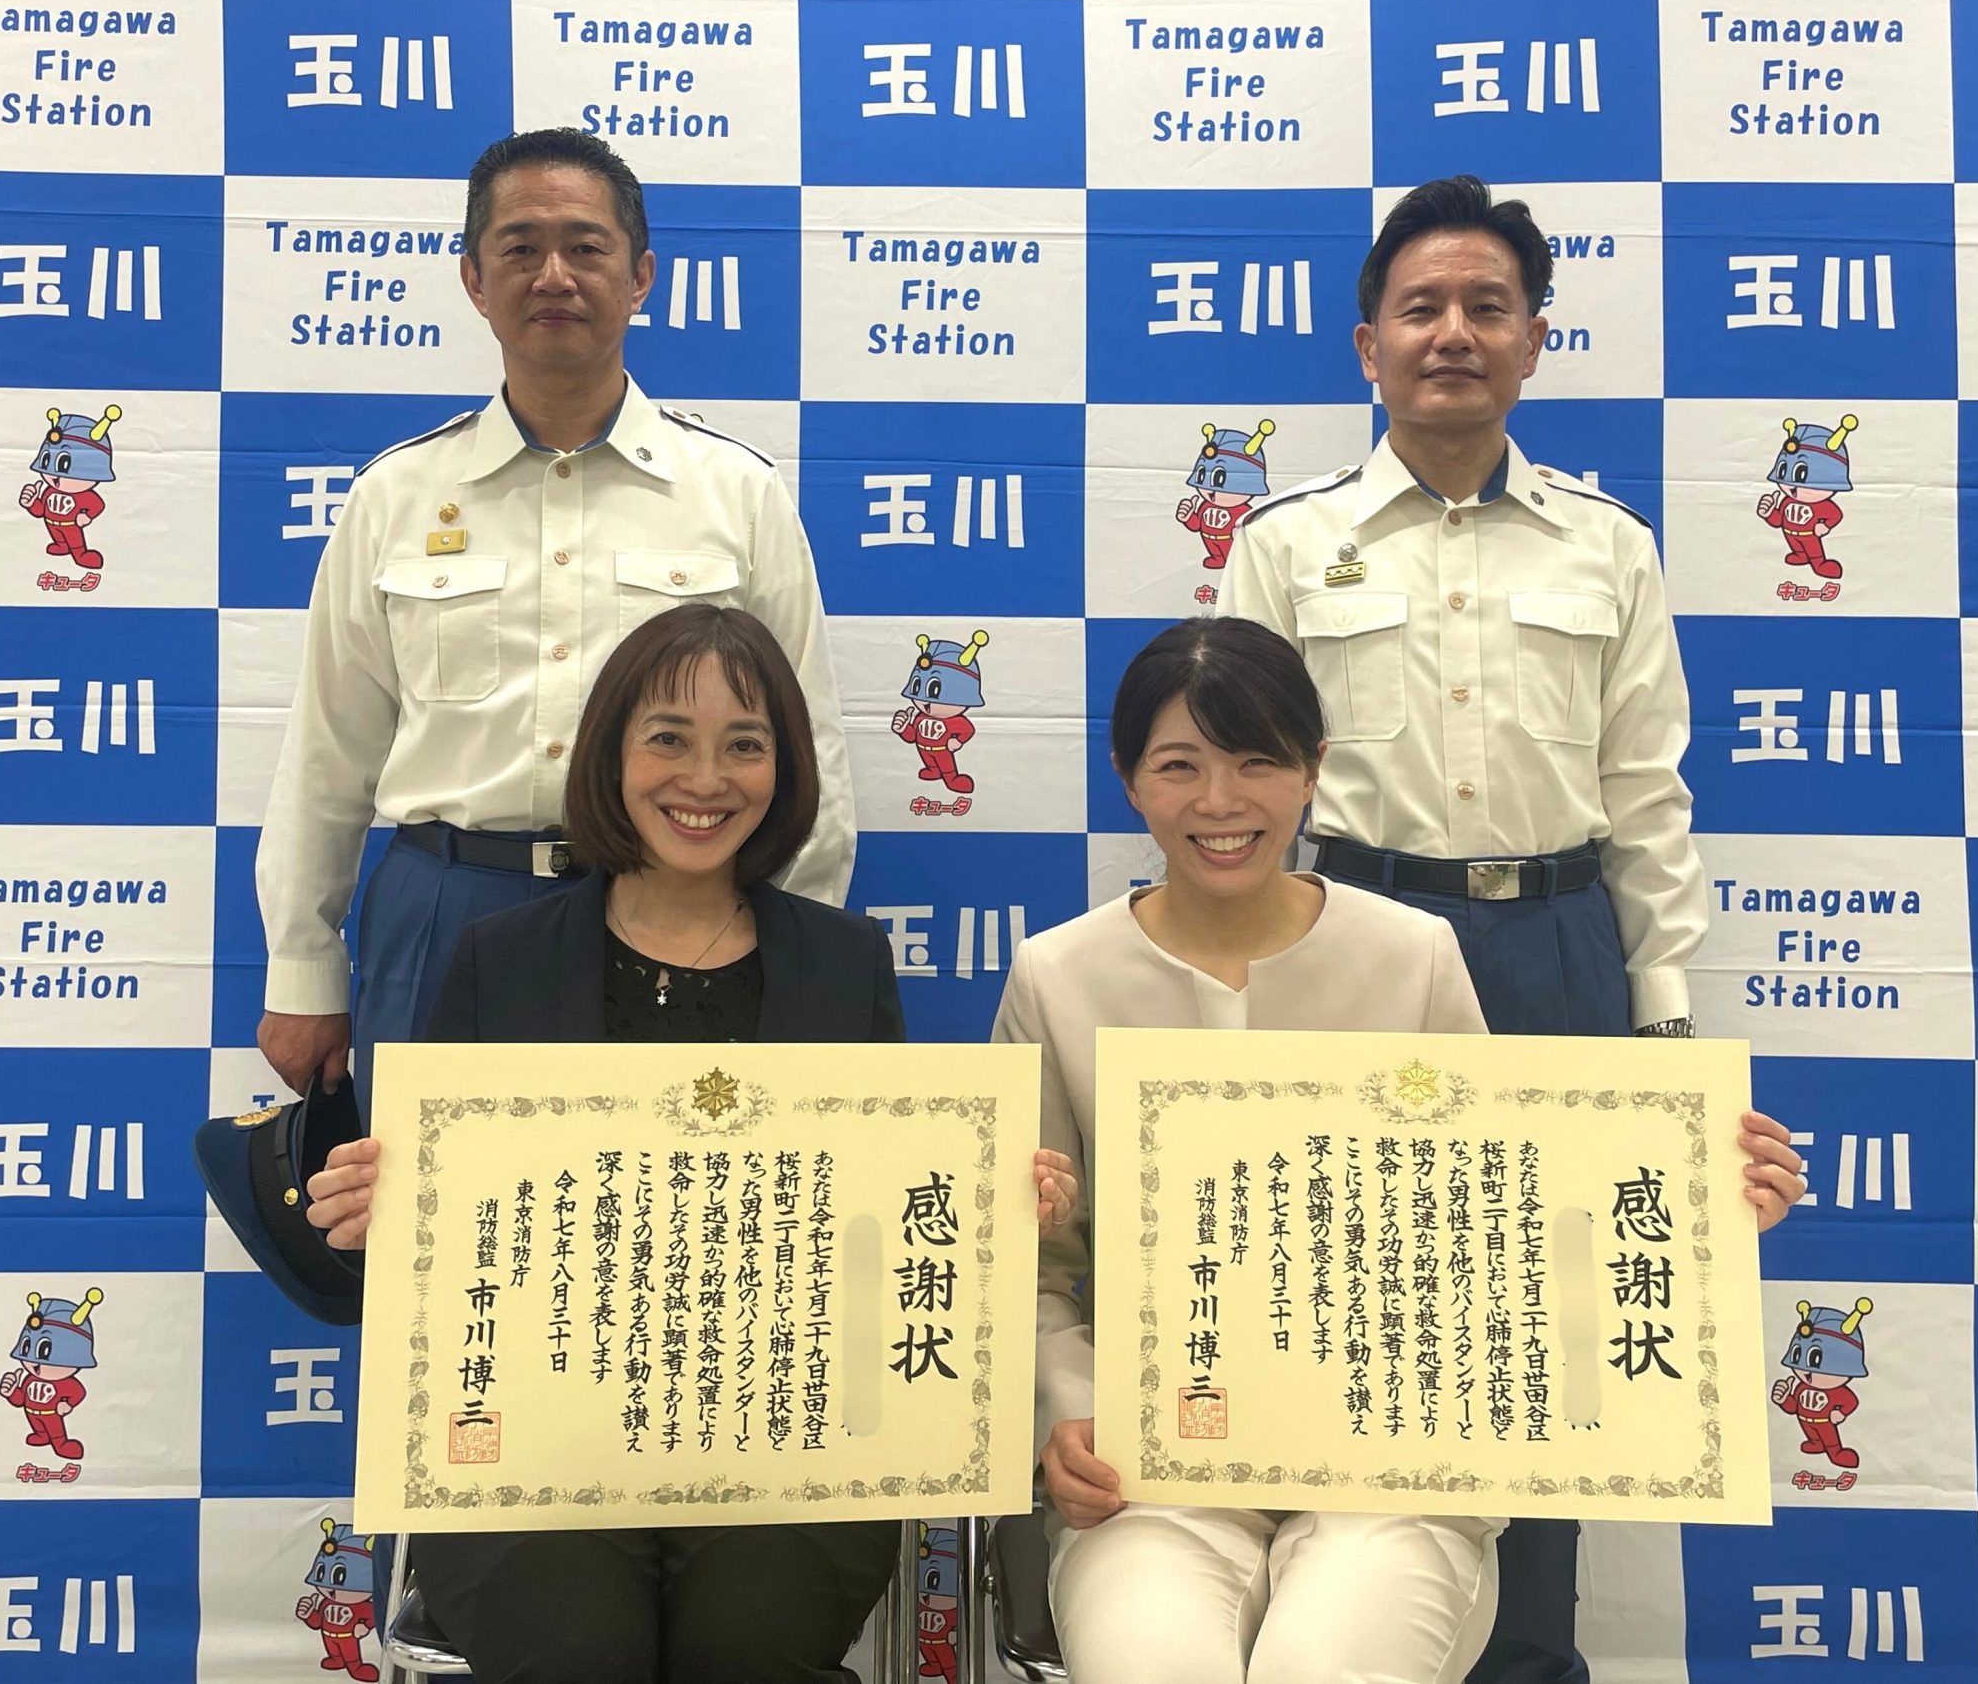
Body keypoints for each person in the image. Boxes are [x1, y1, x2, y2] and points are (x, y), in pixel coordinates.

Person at [1003, 619, 1805, 1684]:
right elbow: (1034, 1268)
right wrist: (1068, 1412)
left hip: (1393, 1462)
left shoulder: (1411, 952)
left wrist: (1708, 1199)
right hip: (1156, 1470)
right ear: (1127, 778)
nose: (1219, 801)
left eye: (1257, 762)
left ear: (1313, 771)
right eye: (1179, 766)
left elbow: (1503, 1219)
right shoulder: (1057, 974)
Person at [295, 606, 1077, 1684]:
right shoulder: (499, 959)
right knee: (579, 1654)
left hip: (788, 1435)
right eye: (668, 738)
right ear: (610, 755)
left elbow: (876, 1226)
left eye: (743, 745)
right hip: (539, 1438)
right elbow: (447, 1233)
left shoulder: (843, 963)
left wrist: (990, 1207)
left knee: (744, 1648)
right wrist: (373, 1209)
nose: (705, 779)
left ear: (784, 769)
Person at [1218, 176, 1709, 1684]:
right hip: (1349, 951)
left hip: (1554, 951)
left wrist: (1663, 1020)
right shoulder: (1288, 543)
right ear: (1367, 345)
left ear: (1534, 340)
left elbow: (1646, 793)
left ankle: (1526, 1655)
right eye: (1420, 308)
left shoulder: (1607, 545)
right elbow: (1238, 793)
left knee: (1544, 1339)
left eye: (1487, 307)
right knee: (1339, 1313)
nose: (1453, 334)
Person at [255, 127, 855, 1107]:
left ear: (641, 276)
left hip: (678, 911)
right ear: (473, 279)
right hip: (447, 906)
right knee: (439, 1201)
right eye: (520, 248)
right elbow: (328, 751)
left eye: (585, 247)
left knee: (657, 1196)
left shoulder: (736, 494)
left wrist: (798, 950)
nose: (554, 276)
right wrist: (301, 967)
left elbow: (807, 751)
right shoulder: (395, 496)